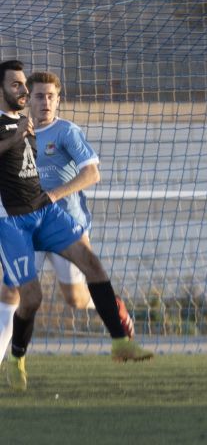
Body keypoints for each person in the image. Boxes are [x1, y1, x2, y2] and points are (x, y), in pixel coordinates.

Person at [0, 60, 152, 392]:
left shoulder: (65, 131)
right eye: (36, 94)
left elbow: (92, 173)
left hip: (60, 219)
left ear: (58, 99)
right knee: (17, 293)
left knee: (77, 296)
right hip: (17, 221)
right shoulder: (14, 126)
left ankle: (118, 328)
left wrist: (53, 194)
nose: (42, 101)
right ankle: (11, 360)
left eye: (48, 96)